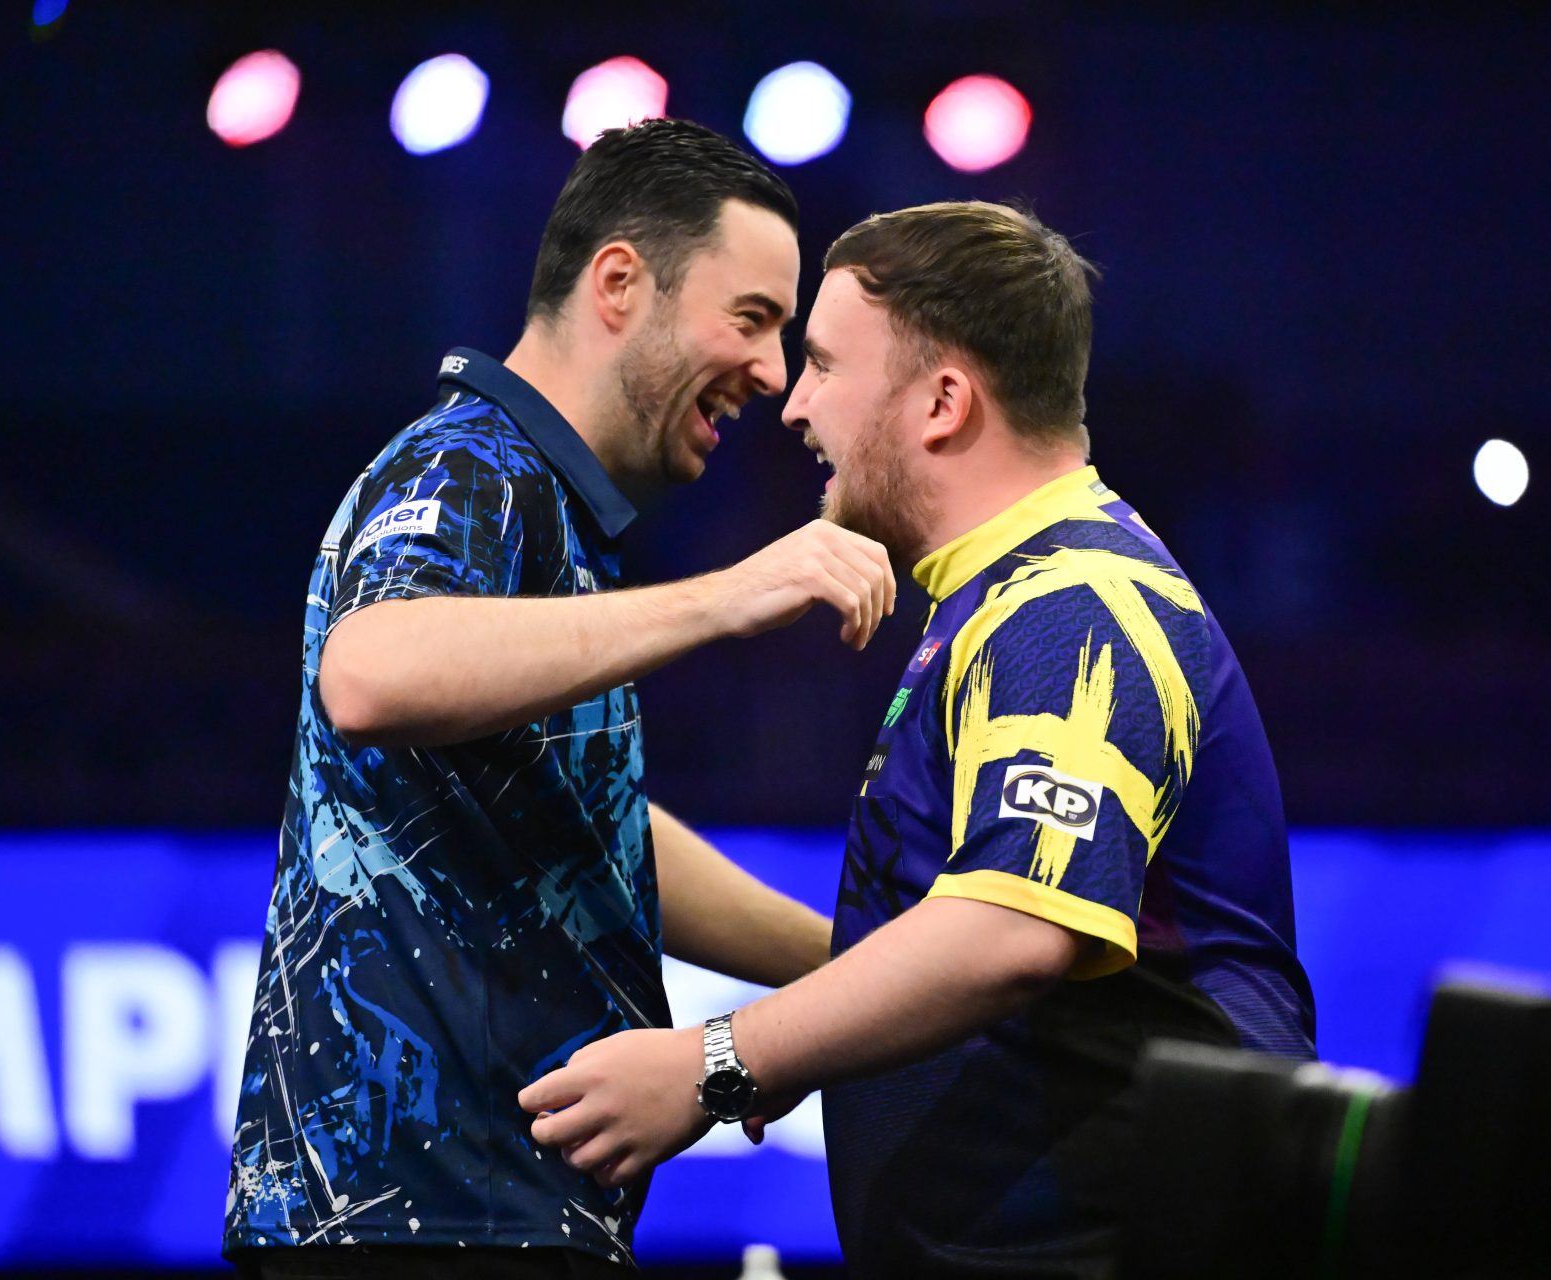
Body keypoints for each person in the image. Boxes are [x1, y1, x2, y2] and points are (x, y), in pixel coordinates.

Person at [517, 202, 1317, 1277]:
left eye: (824, 365)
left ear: (943, 401)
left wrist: (716, 1064)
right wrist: (827, 1017)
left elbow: (1011, 928)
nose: (794, 404)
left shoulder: (1076, 604)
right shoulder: (1005, 603)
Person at [222, 120, 897, 1279]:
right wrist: (729, 595)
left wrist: (858, 975)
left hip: (496, 1213)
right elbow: (372, 672)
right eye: (751, 318)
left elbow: (598, 836)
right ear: (619, 282)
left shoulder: (557, 516)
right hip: (415, 1223)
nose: (774, 372)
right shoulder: (470, 464)